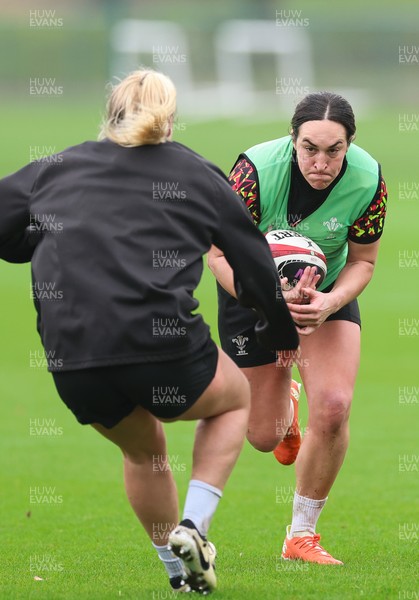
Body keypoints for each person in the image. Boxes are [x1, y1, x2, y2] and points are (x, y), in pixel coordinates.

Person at [0, 68, 299, 594]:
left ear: (109, 112)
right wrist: (279, 334)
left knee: (145, 452)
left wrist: (29, 242)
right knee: (234, 401)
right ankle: (194, 526)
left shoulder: (55, 167)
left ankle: (178, 575)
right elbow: (253, 263)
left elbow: (6, 228)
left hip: (73, 356)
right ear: (170, 116)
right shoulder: (195, 173)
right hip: (161, 345)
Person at [208, 91, 387, 565]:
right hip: (250, 292)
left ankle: (301, 535)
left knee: (333, 406)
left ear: (350, 145)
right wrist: (267, 301)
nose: (321, 162)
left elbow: (364, 261)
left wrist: (330, 301)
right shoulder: (253, 173)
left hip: (324, 296)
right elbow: (218, 255)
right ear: (293, 139)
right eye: (310, 148)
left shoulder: (368, 179)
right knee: (264, 437)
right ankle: (285, 407)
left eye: (334, 150)